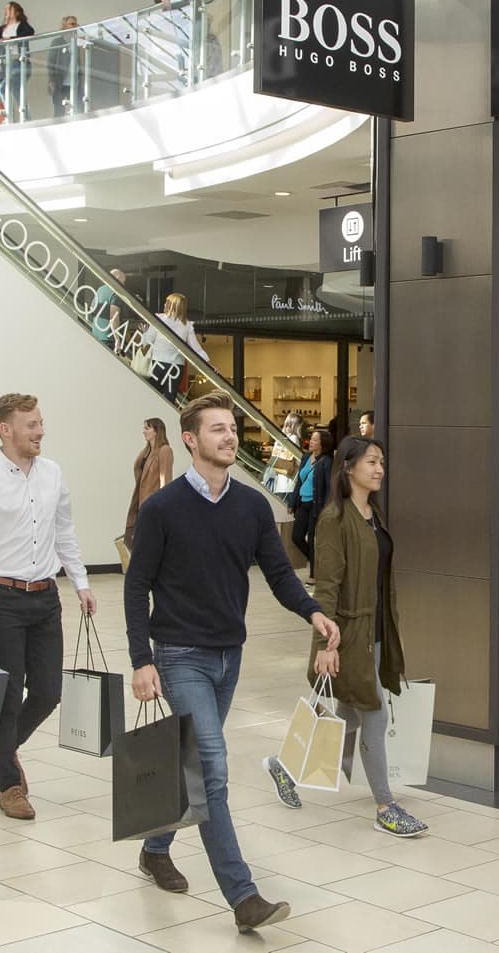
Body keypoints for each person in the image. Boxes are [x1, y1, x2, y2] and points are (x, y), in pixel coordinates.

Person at [124, 390, 340, 933]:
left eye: (231, 428)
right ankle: (243, 897)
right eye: (217, 429)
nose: (228, 437)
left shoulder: (250, 506)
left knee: (192, 762)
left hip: (229, 655)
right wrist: (141, 660)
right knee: (214, 770)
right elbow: (136, 587)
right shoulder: (162, 509)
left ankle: (154, 848)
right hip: (179, 655)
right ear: (192, 440)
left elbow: (279, 572)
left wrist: (312, 612)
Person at [269, 434, 427, 837]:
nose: (379, 469)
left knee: (351, 712)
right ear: (349, 467)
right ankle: (385, 806)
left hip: (374, 631)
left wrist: (392, 634)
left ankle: (285, 767)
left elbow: (380, 581)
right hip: (347, 635)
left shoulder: (373, 515)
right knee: (374, 711)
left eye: (382, 463)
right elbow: (327, 587)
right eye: (372, 462)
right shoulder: (334, 520)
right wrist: (324, 645)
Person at [0, 394, 95, 819]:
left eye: (40, 423)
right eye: (31, 424)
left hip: (45, 597)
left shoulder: (52, 474)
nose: (40, 431)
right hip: (1, 600)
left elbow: (64, 531)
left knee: (49, 692)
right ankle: (9, 785)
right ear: (6, 429)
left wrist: (81, 582)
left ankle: (4, 746)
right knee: (9, 696)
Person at [144, 292, 207, 397]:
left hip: (158, 364)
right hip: (176, 367)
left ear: (171, 305)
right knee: (170, 397)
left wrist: (144, 333)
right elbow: (197, 349)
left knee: (153, 396)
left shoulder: (159, 319)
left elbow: (147, 341)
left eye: (166, 302)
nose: (164, 305)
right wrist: (208, 364)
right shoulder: (187, 325)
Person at [124, 417, 173, 547]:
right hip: (140, 501)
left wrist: (162, 506)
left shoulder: (164, 450)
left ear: (156, 431)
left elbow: (165, 480)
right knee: (133, 542)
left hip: (153, 504)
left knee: (147, 543)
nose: (143, 431)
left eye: (147, 428)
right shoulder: (146, 452)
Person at [0, 2, 36, 120]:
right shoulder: (3, 28)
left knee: (3, 88)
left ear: (16, 12)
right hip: (7, 65)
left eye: (9, 9)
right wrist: (1, 39)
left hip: (19, 62)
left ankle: (10, 116)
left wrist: (10, 39)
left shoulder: (22, 25)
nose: (6, 11)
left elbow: (30, 32)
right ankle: (26, 118)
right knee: (16, 92)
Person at [290, 428, 332, 575]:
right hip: (302, 504)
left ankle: (314, 573)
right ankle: (318, 565)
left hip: (316, 506)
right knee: (296, 537)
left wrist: (326, 509)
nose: (311, 442)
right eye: (311, 439)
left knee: (314, 540)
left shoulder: (326, 462)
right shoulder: (306, 458)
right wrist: (292, 501)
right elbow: (299, 481)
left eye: (315, 440)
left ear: (322, 444)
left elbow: (329, 487)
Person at [48, 14, 80, 114]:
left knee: (77, 110)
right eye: (72, 24)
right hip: (60, 82)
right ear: (65, 26)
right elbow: (51, 62)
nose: (75, 26)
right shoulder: (57, 42)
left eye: (76, 24)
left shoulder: (77, 42)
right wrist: (51, 80)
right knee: (59, 110)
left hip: (75, 83)